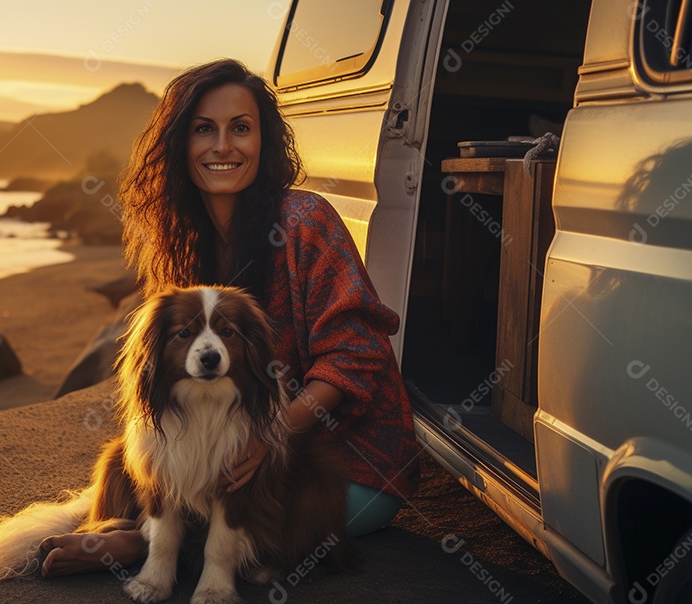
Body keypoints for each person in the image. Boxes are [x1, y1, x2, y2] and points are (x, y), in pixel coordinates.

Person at [40, 58, 420, 577]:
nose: (223, 146)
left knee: (253, 504)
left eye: (240, 128)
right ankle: (140, 533)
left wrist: (271, 435)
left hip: (342, 465)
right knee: (123, 461)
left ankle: (137, 545)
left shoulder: (306, 221)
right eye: (204, 129)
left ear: (264, 141)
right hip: (233, 451)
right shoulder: (178, 244)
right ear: (180, 143)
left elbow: (357, 355)